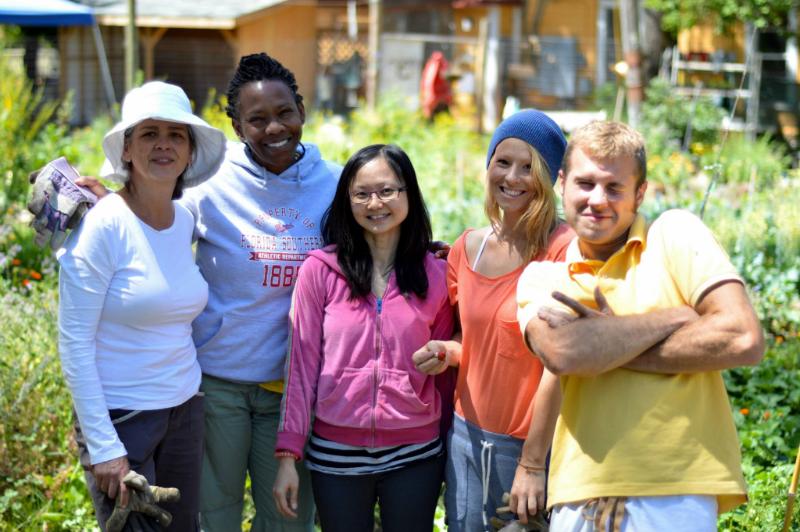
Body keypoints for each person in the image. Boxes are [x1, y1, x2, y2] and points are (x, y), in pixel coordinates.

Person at [517, 120, 765, 531]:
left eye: (614, 187)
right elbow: (565, 353)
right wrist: (677, 317)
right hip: (582, 492)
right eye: (585, 183)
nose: (598, 199)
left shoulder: (675, 234)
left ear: (640, 193)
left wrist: (606, 345)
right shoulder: (543, 279)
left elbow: (742, 337)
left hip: (677, 488)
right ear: (562, 184)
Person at [178, 53, 341, 531]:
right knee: (217, 514)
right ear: (235, 124)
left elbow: (375, 243)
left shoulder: (332, 184)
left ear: (302, 109)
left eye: (284, 112)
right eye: (257, 118)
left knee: (289, 519)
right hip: (218, 384)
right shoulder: (206, 182)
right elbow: (155, 225)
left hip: (292, 390)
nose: (274, 128)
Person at [57, 81, 227, 530]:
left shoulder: (183, 219)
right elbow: (74, 342)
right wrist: (104, 446)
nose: (164, 144)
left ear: (190, 152)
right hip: (123, 418)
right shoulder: (101, 227)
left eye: (176, 134)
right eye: (149, 133)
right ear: (127, 149)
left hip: (183, 412)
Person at [272, 144, 454, 532]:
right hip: (335, 453)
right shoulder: (319, 272)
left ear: (409, 194)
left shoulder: (436, 274)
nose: (376, 203)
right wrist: (288, 454)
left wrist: (442, 355)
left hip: (415, 451)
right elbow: (301, 367)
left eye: (388, 190)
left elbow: (446, 368)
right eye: (362, 193)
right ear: (347, 201)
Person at [413, 109, 575, 531]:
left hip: (528, 444)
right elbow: (486, 344)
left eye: (529, 167)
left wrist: (533, 463)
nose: (513, 177)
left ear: (550, 176)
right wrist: (449, 351)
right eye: (503, 162)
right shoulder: (468, 248)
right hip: (466, 436)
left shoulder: (562, 249)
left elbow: (560, 367)